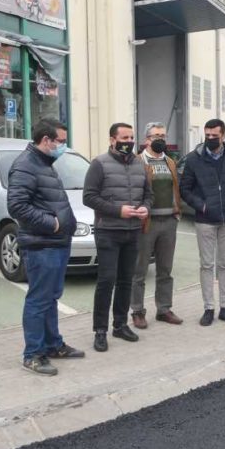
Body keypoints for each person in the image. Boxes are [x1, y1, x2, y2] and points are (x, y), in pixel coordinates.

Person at [7, 118, 84, 375]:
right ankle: (33, 354)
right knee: (39, 300)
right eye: (61, 141)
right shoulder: (25, 166)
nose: (64, 145)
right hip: (42, 245)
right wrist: (52, 224)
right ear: (46, 140)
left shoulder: (45, 164)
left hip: (57, 243)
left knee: (51, 298)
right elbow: (17, 206)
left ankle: (53, 345)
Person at [83, 122, 153, 352]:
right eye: (124, 137)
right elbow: (89, 197)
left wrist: (145, 208)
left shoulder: (139, 164)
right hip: (108, 231)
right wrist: (117, 210)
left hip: (132, 231)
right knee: (106, 281)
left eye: (132, 137)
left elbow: (148, 195)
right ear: (112, 139)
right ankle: (100, 330)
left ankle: (120, 325)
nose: (129, 142)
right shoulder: (99, 163)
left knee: (126, 280)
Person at [179, 118, 225, 326]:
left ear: (224, 136)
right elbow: (185, 189)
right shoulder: (194, 159)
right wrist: (201, 206)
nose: (210, 139)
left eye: (215, 136)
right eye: (207, 135)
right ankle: (208, 308)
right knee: (206, 265)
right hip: (205, 220)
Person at [130, 122, 182, 328]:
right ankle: (137, 311)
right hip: (146, 223)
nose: (160, 139)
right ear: (146, 140)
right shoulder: (137, 162)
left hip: (169, 221)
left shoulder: (170, 162)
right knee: (139, 270)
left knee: (165, 270)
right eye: (155, 136)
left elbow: (176, 189)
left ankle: (164, 309)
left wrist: (177, 214)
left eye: (163, 135)